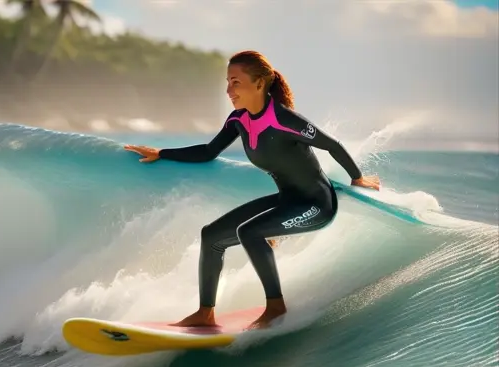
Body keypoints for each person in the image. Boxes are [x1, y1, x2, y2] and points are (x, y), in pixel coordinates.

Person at [124, 50, 381, 330]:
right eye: (227, 82)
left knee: (250, 232)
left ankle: (275, 307)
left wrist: (357, 178)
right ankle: (205, 313)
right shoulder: (239, 120)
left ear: (259, 84)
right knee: (211, 236)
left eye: (235, 82)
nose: (228, 90)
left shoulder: (285, 120)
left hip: (317, 205)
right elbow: (209, 151)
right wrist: (162, 152)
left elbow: (330, 144)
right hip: (287, 201)